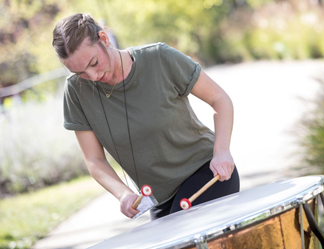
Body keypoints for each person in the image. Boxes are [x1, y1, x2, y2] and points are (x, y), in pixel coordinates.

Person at [52, 13, 240, 220]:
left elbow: (219, 98)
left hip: (205, 174)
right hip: (160, 199)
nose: (93, 77)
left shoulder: (159, 57)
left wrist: (222, 151)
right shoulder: (76, 91)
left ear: (104, 39)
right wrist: (123, 193)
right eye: (81, 73)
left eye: (94, 63)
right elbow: (94, 159)